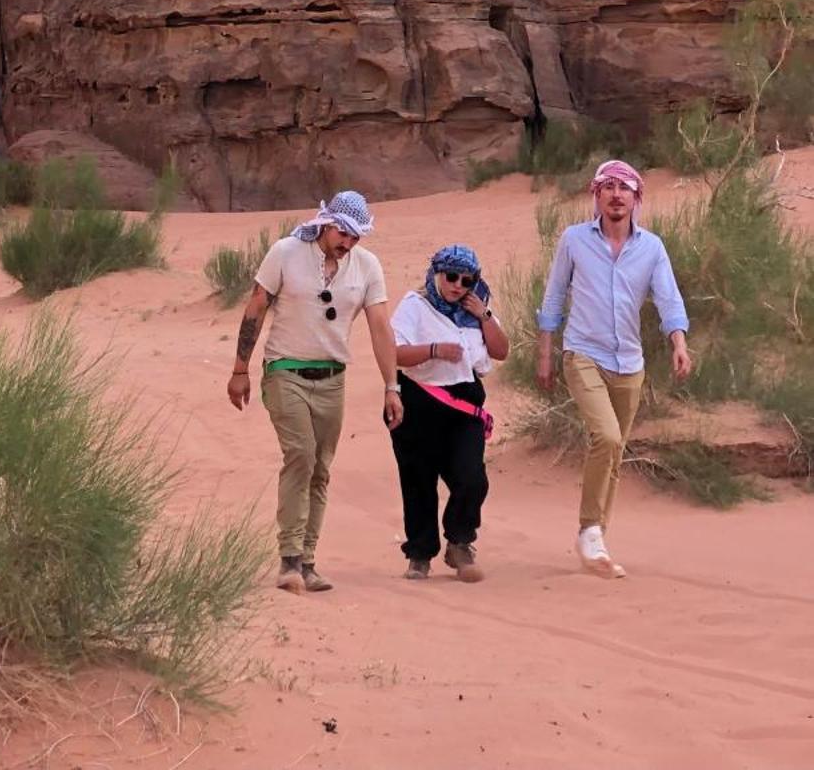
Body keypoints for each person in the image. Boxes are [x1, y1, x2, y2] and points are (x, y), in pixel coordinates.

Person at [227, 189, 402, 593]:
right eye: (343, 232)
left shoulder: (367, 266)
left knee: (321, 470)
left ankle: (307, 561)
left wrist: (392, 386)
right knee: (301, 455)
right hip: (285, 370)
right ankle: (288, 560)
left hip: (332, 378)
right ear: (326, 222)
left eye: (356, 236)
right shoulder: (285, 252)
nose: (348, 242)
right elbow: (256, 307)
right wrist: (240, 369)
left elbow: (380, 327)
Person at [536, 158, 692, 577]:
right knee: (604, 436)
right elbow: (553, 299)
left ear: (636, 198)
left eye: (625, 188)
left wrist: (679, 342)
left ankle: (597, 542)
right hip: (583, 353)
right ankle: (589, 530)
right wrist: (546, 354)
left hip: (630, 362)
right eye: (609, 187)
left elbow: (668, 299)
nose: (616, 194)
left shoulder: (652, 247)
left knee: (616, 451)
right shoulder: (574, 240)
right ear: (597, 196)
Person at [389, 243, 509, 582]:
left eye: (466, 280)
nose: (458, 285)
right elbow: (395, 352)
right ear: (437, 274)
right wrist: (433, 350)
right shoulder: (416, 305)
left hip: (464, 406)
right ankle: (419, 554)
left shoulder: (477, 308)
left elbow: (501, 351)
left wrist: (483, 315)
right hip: (419, 401)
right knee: (418, 480)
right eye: (451, 277)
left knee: (472, 478)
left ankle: (459, 542)